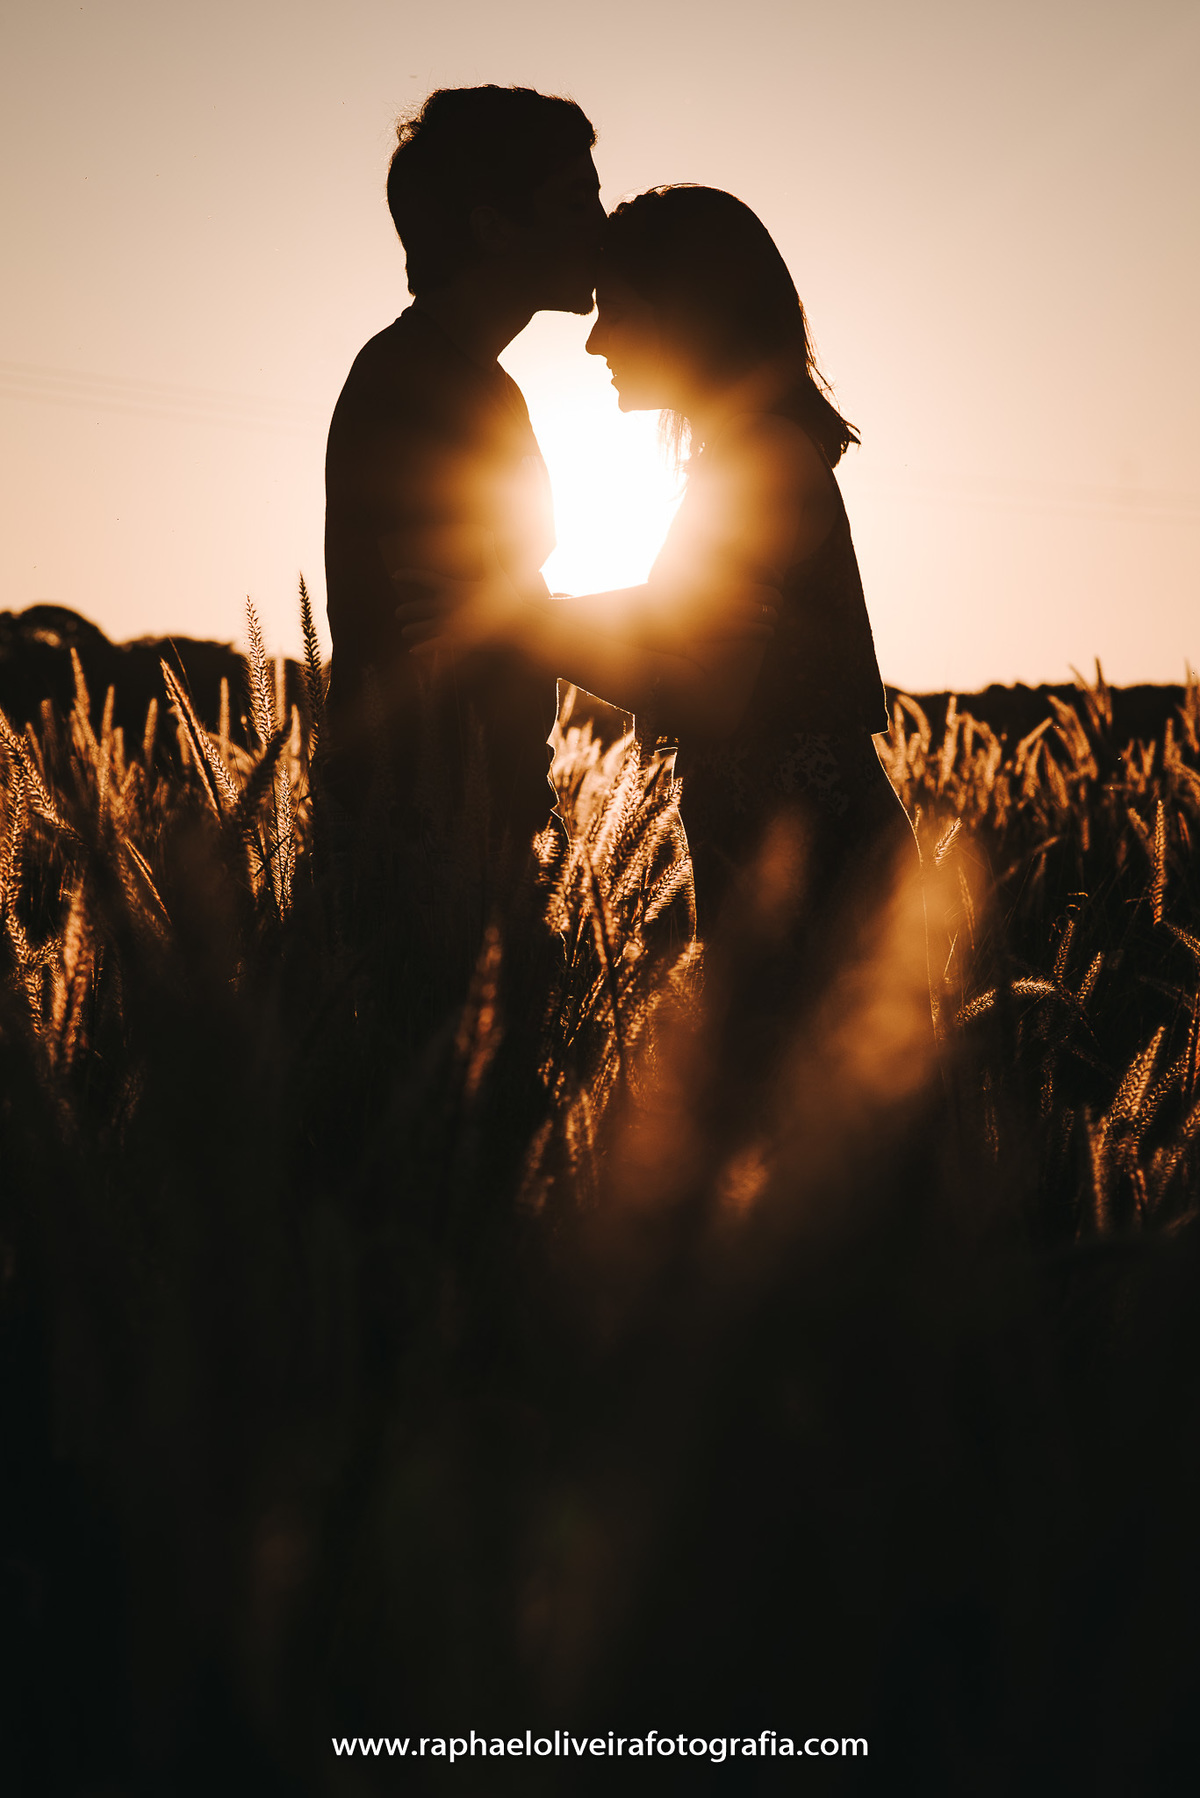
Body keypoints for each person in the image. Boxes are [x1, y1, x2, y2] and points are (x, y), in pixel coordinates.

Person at [397, 184, 915, 953]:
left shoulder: (757, 457)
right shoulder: (747, 453)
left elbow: (706, 695)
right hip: (787, 849)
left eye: (618, 309)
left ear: (687, 316)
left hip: (810, 864)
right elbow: (676, 619)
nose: (594, 341)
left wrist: (519, 624)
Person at [322, 84, 605, 902]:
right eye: (577, 199)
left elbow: (503, 615)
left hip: (473, 812)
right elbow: (456, 631)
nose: (602, 223)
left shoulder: (479, 383)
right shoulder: (414, 384)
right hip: (420, 833)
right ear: (492, 226)